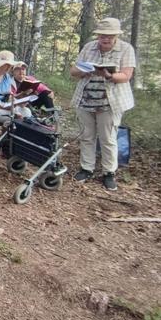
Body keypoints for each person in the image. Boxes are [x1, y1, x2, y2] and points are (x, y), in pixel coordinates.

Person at [69, 17, 136, 191]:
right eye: (102, 35)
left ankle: (109, 172)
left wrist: (109, 75)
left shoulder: (126, 49)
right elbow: (74, 70)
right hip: (86, 99)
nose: (105, 39)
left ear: (116, 36)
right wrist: (84, 70)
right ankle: (86, 168)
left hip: (110, 101)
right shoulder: (89, 47)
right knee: (87, 135)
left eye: (109, 36)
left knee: (108, 138)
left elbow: (126, 75)